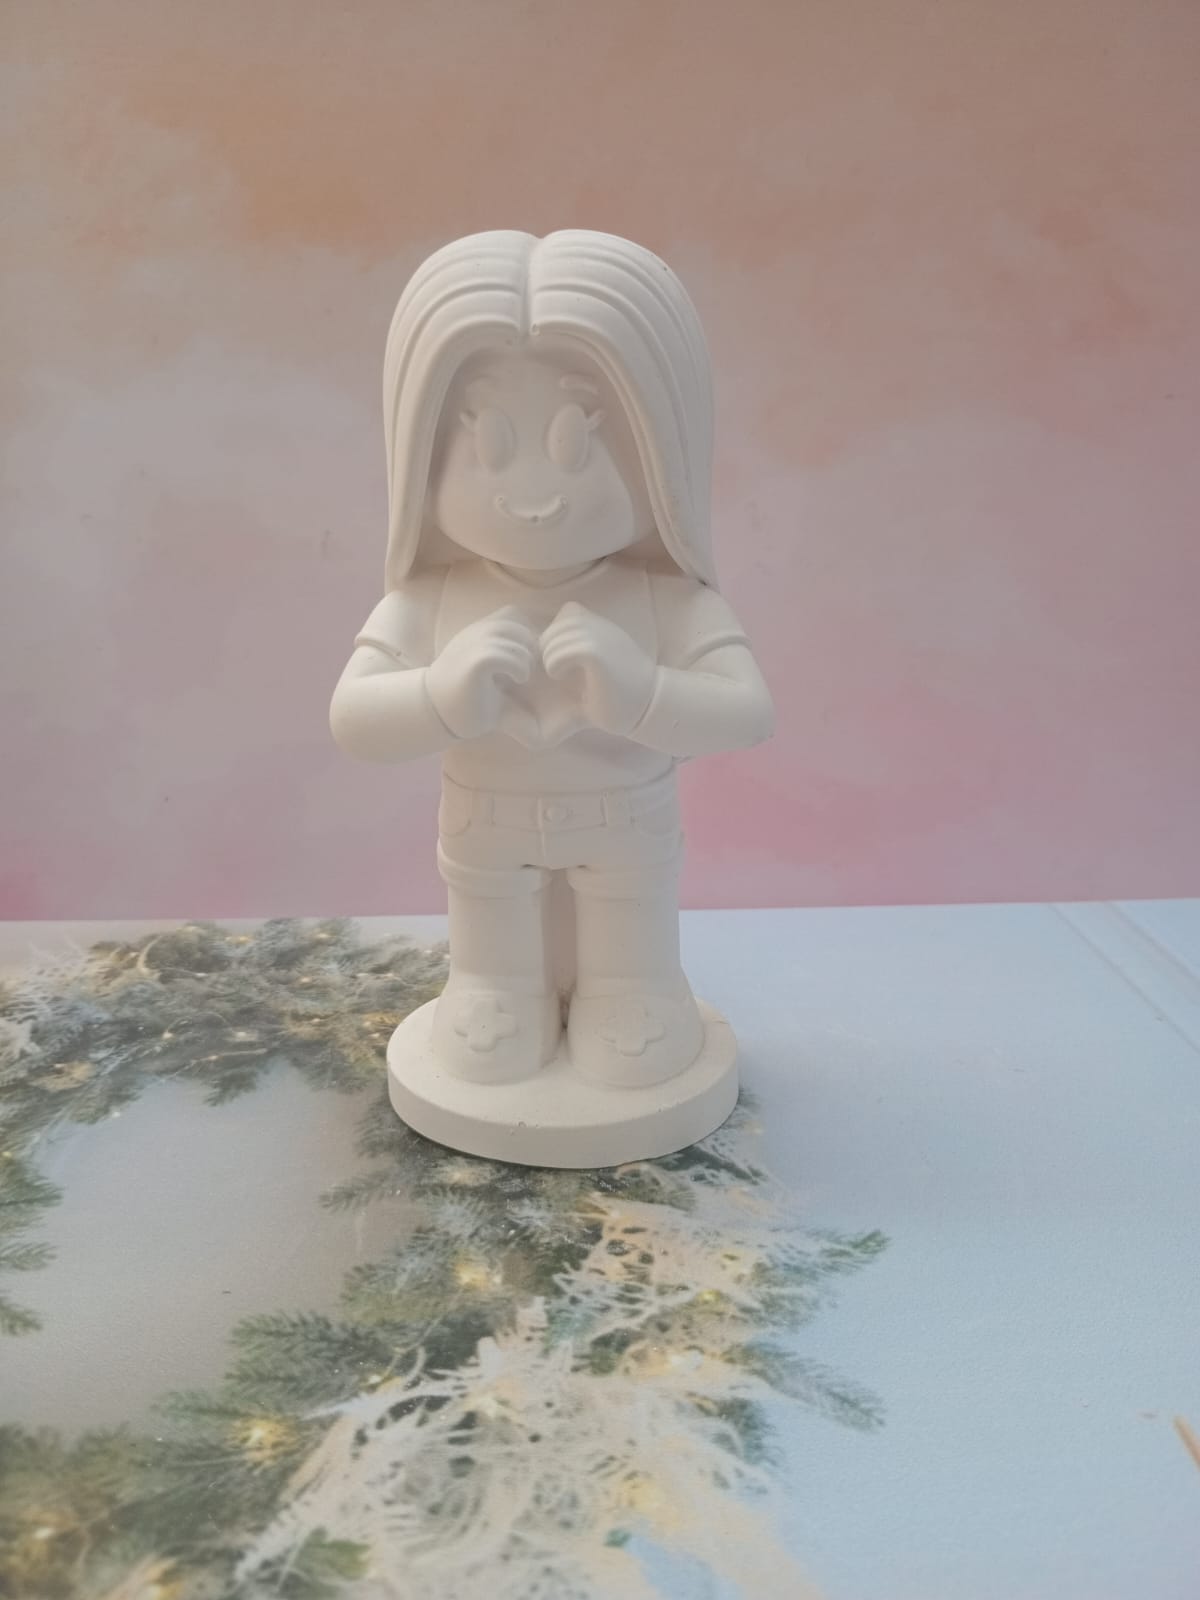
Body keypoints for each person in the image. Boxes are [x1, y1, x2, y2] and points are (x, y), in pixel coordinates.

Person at [331, 230, 773, 1089]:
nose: (532, 494)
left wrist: (640, 693)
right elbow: (355, 719)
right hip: (486, 827)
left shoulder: (663, 599)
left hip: (625, 824)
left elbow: (746, 712)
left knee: (628, 954)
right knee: (491, 951)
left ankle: (631, 989)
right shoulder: (434, 599)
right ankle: (494, 988)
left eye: (577, 444)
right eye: (492, 445)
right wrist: (440, 696)